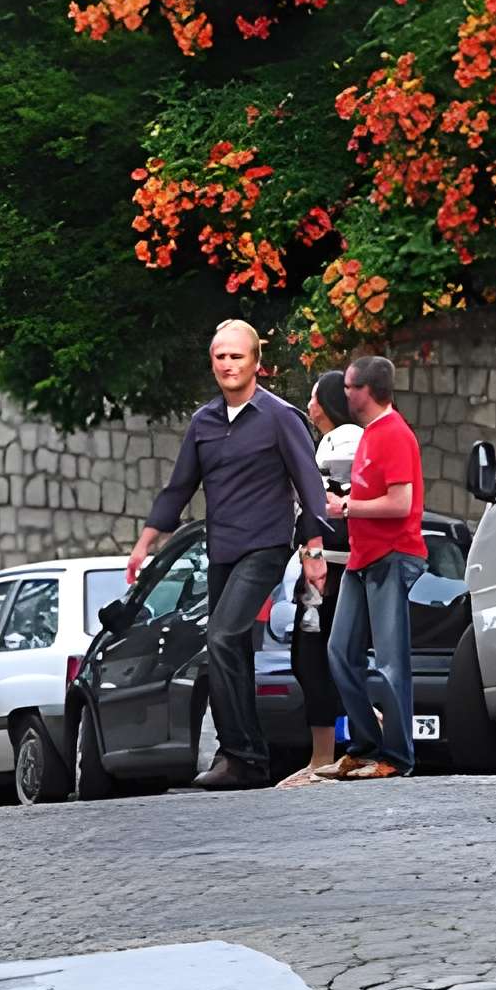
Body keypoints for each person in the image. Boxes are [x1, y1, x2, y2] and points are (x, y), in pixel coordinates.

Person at [133, 317, 326, 791]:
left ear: (257, 363)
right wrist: (146, 541)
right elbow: (180, 486)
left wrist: (313, 547)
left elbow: (309, 485)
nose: (227, 364)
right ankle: (248, 760)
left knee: (221, 635)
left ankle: (238, 752)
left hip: (265, 545)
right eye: (220, 356)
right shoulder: (204, 422)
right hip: (222, 549)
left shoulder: (280, 417)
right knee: (227, 645)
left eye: (236, 356)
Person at [325, 351, 424, 781]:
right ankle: (365, 746)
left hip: (391, 555)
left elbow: (401, 503)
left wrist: (346, 507)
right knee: (340, 652)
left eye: (350, 386)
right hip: (363, 558)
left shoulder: (394, 433)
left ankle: (397, 757)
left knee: (390, 662)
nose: (344, 393)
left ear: (368, 390)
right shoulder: (370, 434)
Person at [280, 370, 355, 786]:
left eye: (313, 397)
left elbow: (326, 502)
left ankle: (324, 758)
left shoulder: (344, 440)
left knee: (312, 658)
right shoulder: (329, 441)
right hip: (323, 565)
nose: (309, 406)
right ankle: (322, 756)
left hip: (328, 567)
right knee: (310, 658)